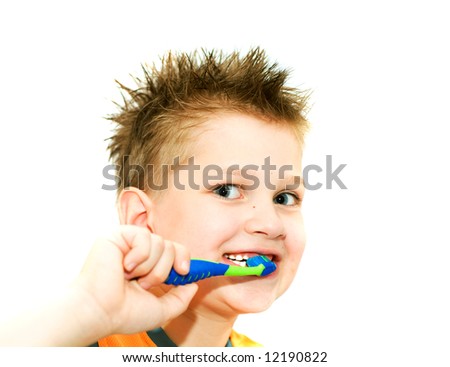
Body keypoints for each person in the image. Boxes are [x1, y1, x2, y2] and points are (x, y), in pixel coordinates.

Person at [0, 48, 310, 347]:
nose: (270, 224)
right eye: (227, 190)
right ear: (143, 220)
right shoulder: (71, 342)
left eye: (284, 197)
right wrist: (89, 308)